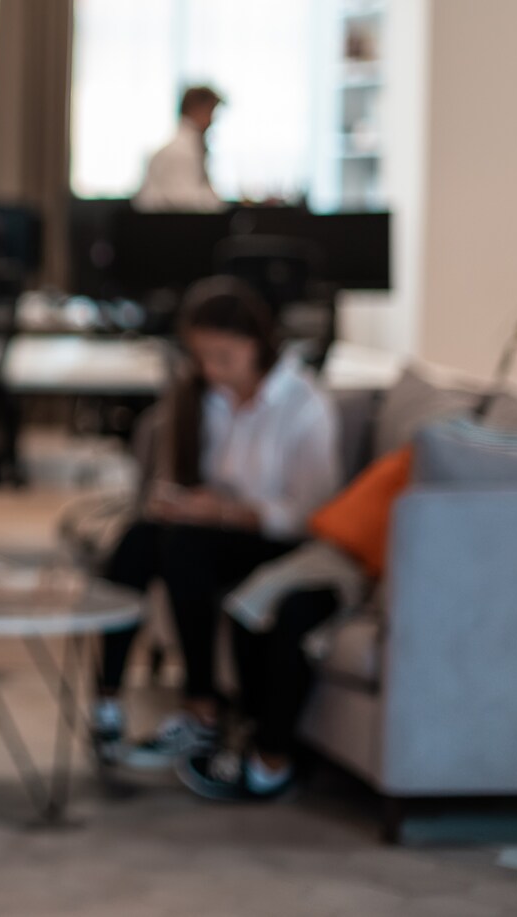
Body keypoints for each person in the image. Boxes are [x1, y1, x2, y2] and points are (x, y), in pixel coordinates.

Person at [90, 277, 340, 785]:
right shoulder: (207, 398)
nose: (210, 369)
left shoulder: (303, 404)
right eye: (201, 357)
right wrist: (179, 501)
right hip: (213, 533)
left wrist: (224, 513)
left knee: (187, 548)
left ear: (256, 345)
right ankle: (108, 702)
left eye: (222, 356)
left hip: (279, 539)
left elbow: (310, 514)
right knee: (137, 540)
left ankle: (201, 707)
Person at [135, 84, 225, 212]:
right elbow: (185, 202)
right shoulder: (179, 152)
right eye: (211, 111)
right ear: (196, 109)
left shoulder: (191, 147)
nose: (212, 121)